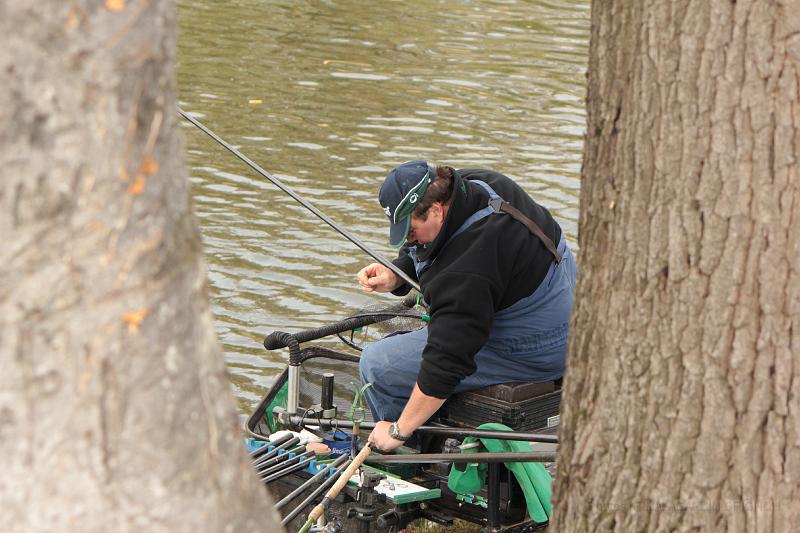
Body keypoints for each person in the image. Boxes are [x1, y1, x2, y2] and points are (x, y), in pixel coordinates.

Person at [359, 160, 576, 452]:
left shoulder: (466, 271)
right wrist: (398, 274)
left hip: (542, 344)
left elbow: (446, 363)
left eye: (410, 232)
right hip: (570, 303)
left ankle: (412, 460)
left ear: (436, 210)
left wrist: (397, 431)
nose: (410, 240)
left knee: (379, 365)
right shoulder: (474, 184)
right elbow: (437, 246)